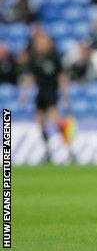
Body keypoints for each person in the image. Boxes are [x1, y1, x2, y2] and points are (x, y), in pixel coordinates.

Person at [19, 32, 72, 163]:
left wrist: (66, 95)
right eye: (39, 43)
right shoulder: (34, 59)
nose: (41, 45)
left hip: (51, 93)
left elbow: (62, 77)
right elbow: (29, 77)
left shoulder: (54, 57)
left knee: (56, 122)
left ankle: (69, 150)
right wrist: (24, 94)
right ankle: (48, 151)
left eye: (43, 42)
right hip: (40, 94)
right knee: (41, 125)